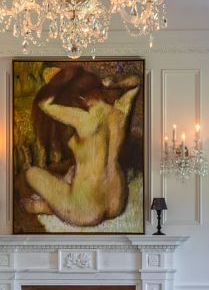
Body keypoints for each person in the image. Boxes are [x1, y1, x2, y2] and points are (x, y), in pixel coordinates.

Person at [21, 64, 141, 229]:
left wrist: (59, 82)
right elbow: (136, 82)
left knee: (31, 173)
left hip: (86, 210)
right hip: (116, 201)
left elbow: (44, 104)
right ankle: (58, 202)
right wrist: (114, 84)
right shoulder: (119, 110)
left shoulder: (83, 118)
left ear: (81, 98)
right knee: (73, 171)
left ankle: (48, 207)